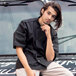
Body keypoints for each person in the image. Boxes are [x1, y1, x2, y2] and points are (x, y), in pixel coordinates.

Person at [13, 1, 74, 76]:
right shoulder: (25, 25)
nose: (49, 18)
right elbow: (19, 49)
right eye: (48, 13)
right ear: (42, 11)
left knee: (68, 74)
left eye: (53, 16)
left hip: (44, 64)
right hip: (26, 64)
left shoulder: (52, 33)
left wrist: (48, 37)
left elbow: (50, 59)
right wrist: (28, 70)